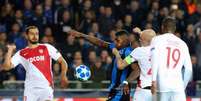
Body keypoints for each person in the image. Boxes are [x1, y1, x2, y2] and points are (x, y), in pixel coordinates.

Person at [70, 30, 140, 101]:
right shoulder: (115, 48)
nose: (114, 41)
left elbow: (137, 69)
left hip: (120, 92)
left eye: (117, 40)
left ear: (125, 41)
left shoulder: (128, 52)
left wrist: (126, 82)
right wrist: (82, 35)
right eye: (115, 39)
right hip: (114, 91)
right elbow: (100, 42)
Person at [3, 26, 68, 101]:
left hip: (46, 88)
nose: (35, 36)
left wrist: (63, 75)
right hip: (30, 90)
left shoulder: (47, 47)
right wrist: (10, 51)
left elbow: (63, 62)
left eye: (37, 34)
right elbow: (6, 67)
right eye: (32, 34)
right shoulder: (21, 53)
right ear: (26, 36)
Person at [151, 17, 192, 101]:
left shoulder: (156, 40)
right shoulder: (183, 44)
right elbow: (189, 69)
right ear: (175, 28)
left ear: (162, 27)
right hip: (178, 85)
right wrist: (182, 86)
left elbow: (154, 60)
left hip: (162, 84)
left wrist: (153, 80)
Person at [112, 28, 156, 101]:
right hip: (158, 91)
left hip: (143, 92)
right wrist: (140, 32)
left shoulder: (139, 51)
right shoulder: (162, 49)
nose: (139, 40)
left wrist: (117, 54)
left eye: (141, 38)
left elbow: (121, 65)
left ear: (145, 40)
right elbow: (151, 38)